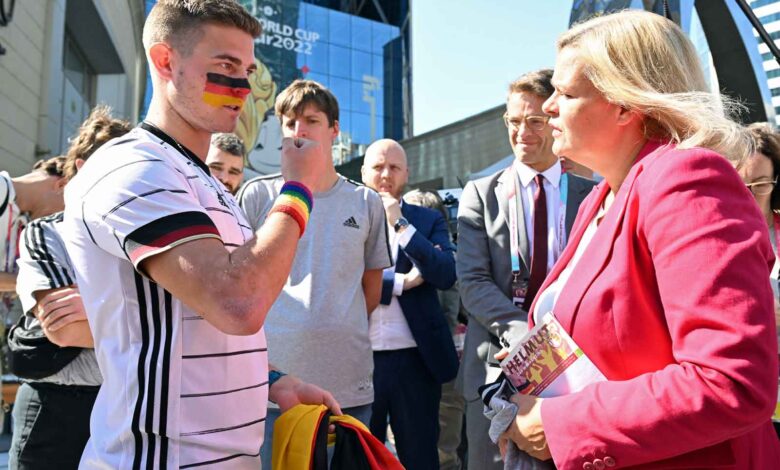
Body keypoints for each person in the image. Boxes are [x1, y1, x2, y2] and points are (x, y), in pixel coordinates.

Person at [60, 2, 339, 469]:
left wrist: (274, 381)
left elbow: (193, 331)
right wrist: (299, 187)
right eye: (225, 66)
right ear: (166, 61)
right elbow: (237, 302)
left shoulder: (208, 183)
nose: (244, 87)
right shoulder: (135, 166)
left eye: (248, 70)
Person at [499, 10, 780, 469]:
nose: (547, 106)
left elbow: (731, 382)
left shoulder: (688, 179)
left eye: (566, 93)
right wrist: (533, 376)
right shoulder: (601, 198)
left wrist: (559, 422)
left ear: (626, 105)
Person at [237, 79, 391, 468]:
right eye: (289, 122)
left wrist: (335, 320)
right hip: (271, 386)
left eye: (310, 120)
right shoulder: (256, 195)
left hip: (348, 379)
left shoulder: (365, 201)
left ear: (334, 129)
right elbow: (239, 282)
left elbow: (370, 289)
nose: (298, 131)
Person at [456, 69, 595, 470]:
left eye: (534, 121)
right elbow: (472, 281)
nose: (522, 132)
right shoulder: (480, 194)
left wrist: (555, 347)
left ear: (555, 120)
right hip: (495, 368)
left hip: (575, 368)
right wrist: (527, 338)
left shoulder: (593, 196)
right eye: (513, 122)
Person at [9, 105, 132, 470]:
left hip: (120, 405)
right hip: (55, 405)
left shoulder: (143, 239)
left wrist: (95, 307)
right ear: (82, 167)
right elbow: (65, 329)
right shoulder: (47, 232)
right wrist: (137, 316)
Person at [360, 139, 458, 470]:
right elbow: (342, 279)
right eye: (377, 166)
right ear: (363, 172)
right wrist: (401, 282)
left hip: (416, 360)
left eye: (394, 167)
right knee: (360, 458)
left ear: (407, 173)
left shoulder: (427, 220)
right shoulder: (346, 217)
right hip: (359, 358)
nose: (385, 174)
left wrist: (401, 225)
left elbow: (445, 273)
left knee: (420, 459)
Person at [403, 188, 467, 470]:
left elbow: (449, 309)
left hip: (438, 364)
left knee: (442, 451)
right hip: (433, 364)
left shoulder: (444, 262)